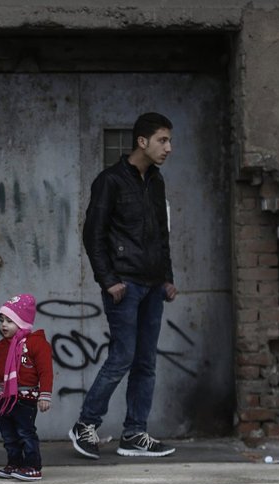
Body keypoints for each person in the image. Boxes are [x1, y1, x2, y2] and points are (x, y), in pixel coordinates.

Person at [69, 112, 179, 460]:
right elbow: (93, 234)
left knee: (145, 361)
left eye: (169, 141)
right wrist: (109, 280)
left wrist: (167, 277)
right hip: (125, 286)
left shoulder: (157, 182)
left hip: (152, 285)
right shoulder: (110, 181)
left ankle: (134, 433)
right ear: (142, 142)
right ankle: (85, 424)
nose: (169, 148)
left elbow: (162, 235)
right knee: (122, 356)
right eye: (163, 140)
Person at [0, 294, 54, 481]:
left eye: (10, 321)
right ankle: (15, 463)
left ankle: (33, 466)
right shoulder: (1, 347)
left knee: (25, 433)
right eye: (2, 320)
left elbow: (46, 372)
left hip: (25, 400)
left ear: (23, 321)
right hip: (5, 400)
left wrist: (45, 395)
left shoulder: (37, 344)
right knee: (9, 435)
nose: (4, 325)